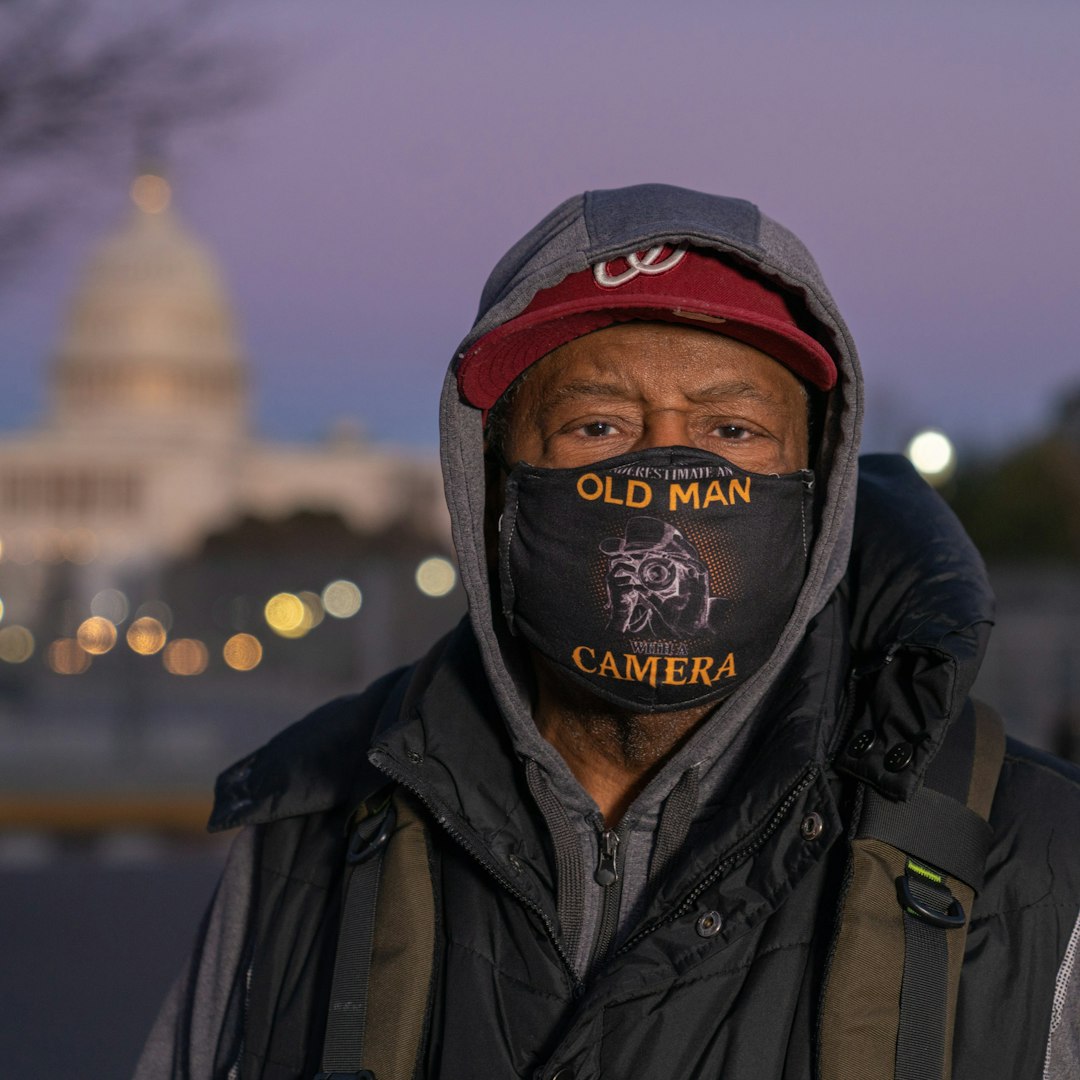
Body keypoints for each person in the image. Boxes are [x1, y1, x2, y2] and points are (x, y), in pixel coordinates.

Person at [136, 184, 1080, 1080]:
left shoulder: (1036, 863)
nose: (667, 474)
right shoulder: (309, 840)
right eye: (597, 426)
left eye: (731, 431)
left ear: (818, 492)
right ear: (493, 486)